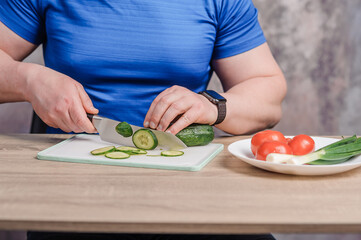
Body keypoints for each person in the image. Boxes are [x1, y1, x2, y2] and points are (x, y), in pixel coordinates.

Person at [0, 0, 286, 239]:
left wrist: (212, 105)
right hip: (70, 191)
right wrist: (29, 80)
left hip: (189, 187)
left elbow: (268, 96)